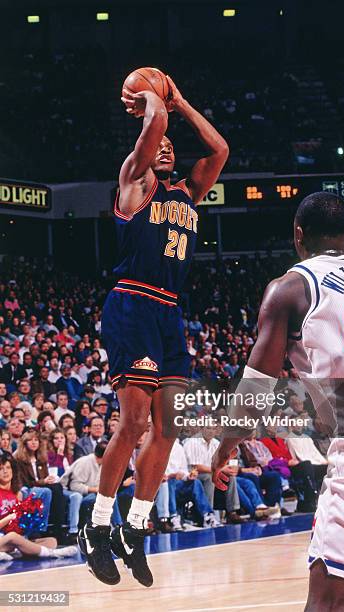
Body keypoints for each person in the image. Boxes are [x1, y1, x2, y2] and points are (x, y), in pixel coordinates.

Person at [211, 192, 344, 612]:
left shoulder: (291, 287)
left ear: (298, 235)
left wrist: (224, 447)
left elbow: (254, 392)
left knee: (327, 600)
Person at [79, 75, 228, 587]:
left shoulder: (189, 191)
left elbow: (220, 147)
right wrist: (151, 99)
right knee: (135, 420)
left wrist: (181, 101)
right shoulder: (134, 181)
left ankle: (135, 529)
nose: (164, 147)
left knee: (167, 427)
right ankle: (97, 526)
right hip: (132, 302)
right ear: (143, 146)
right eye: (155, 143)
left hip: (169, 312)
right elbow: (154, 126)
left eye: (169, 146)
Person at [0, 455, 77, 561]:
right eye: (1, 469)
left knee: (52, 541)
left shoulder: (17, 494)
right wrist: (9, 518)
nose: (5, 471)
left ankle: (16, 551)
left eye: (8, 468)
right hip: (4, 538)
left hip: (15, 540)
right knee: (12, 536)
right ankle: (52, 553)